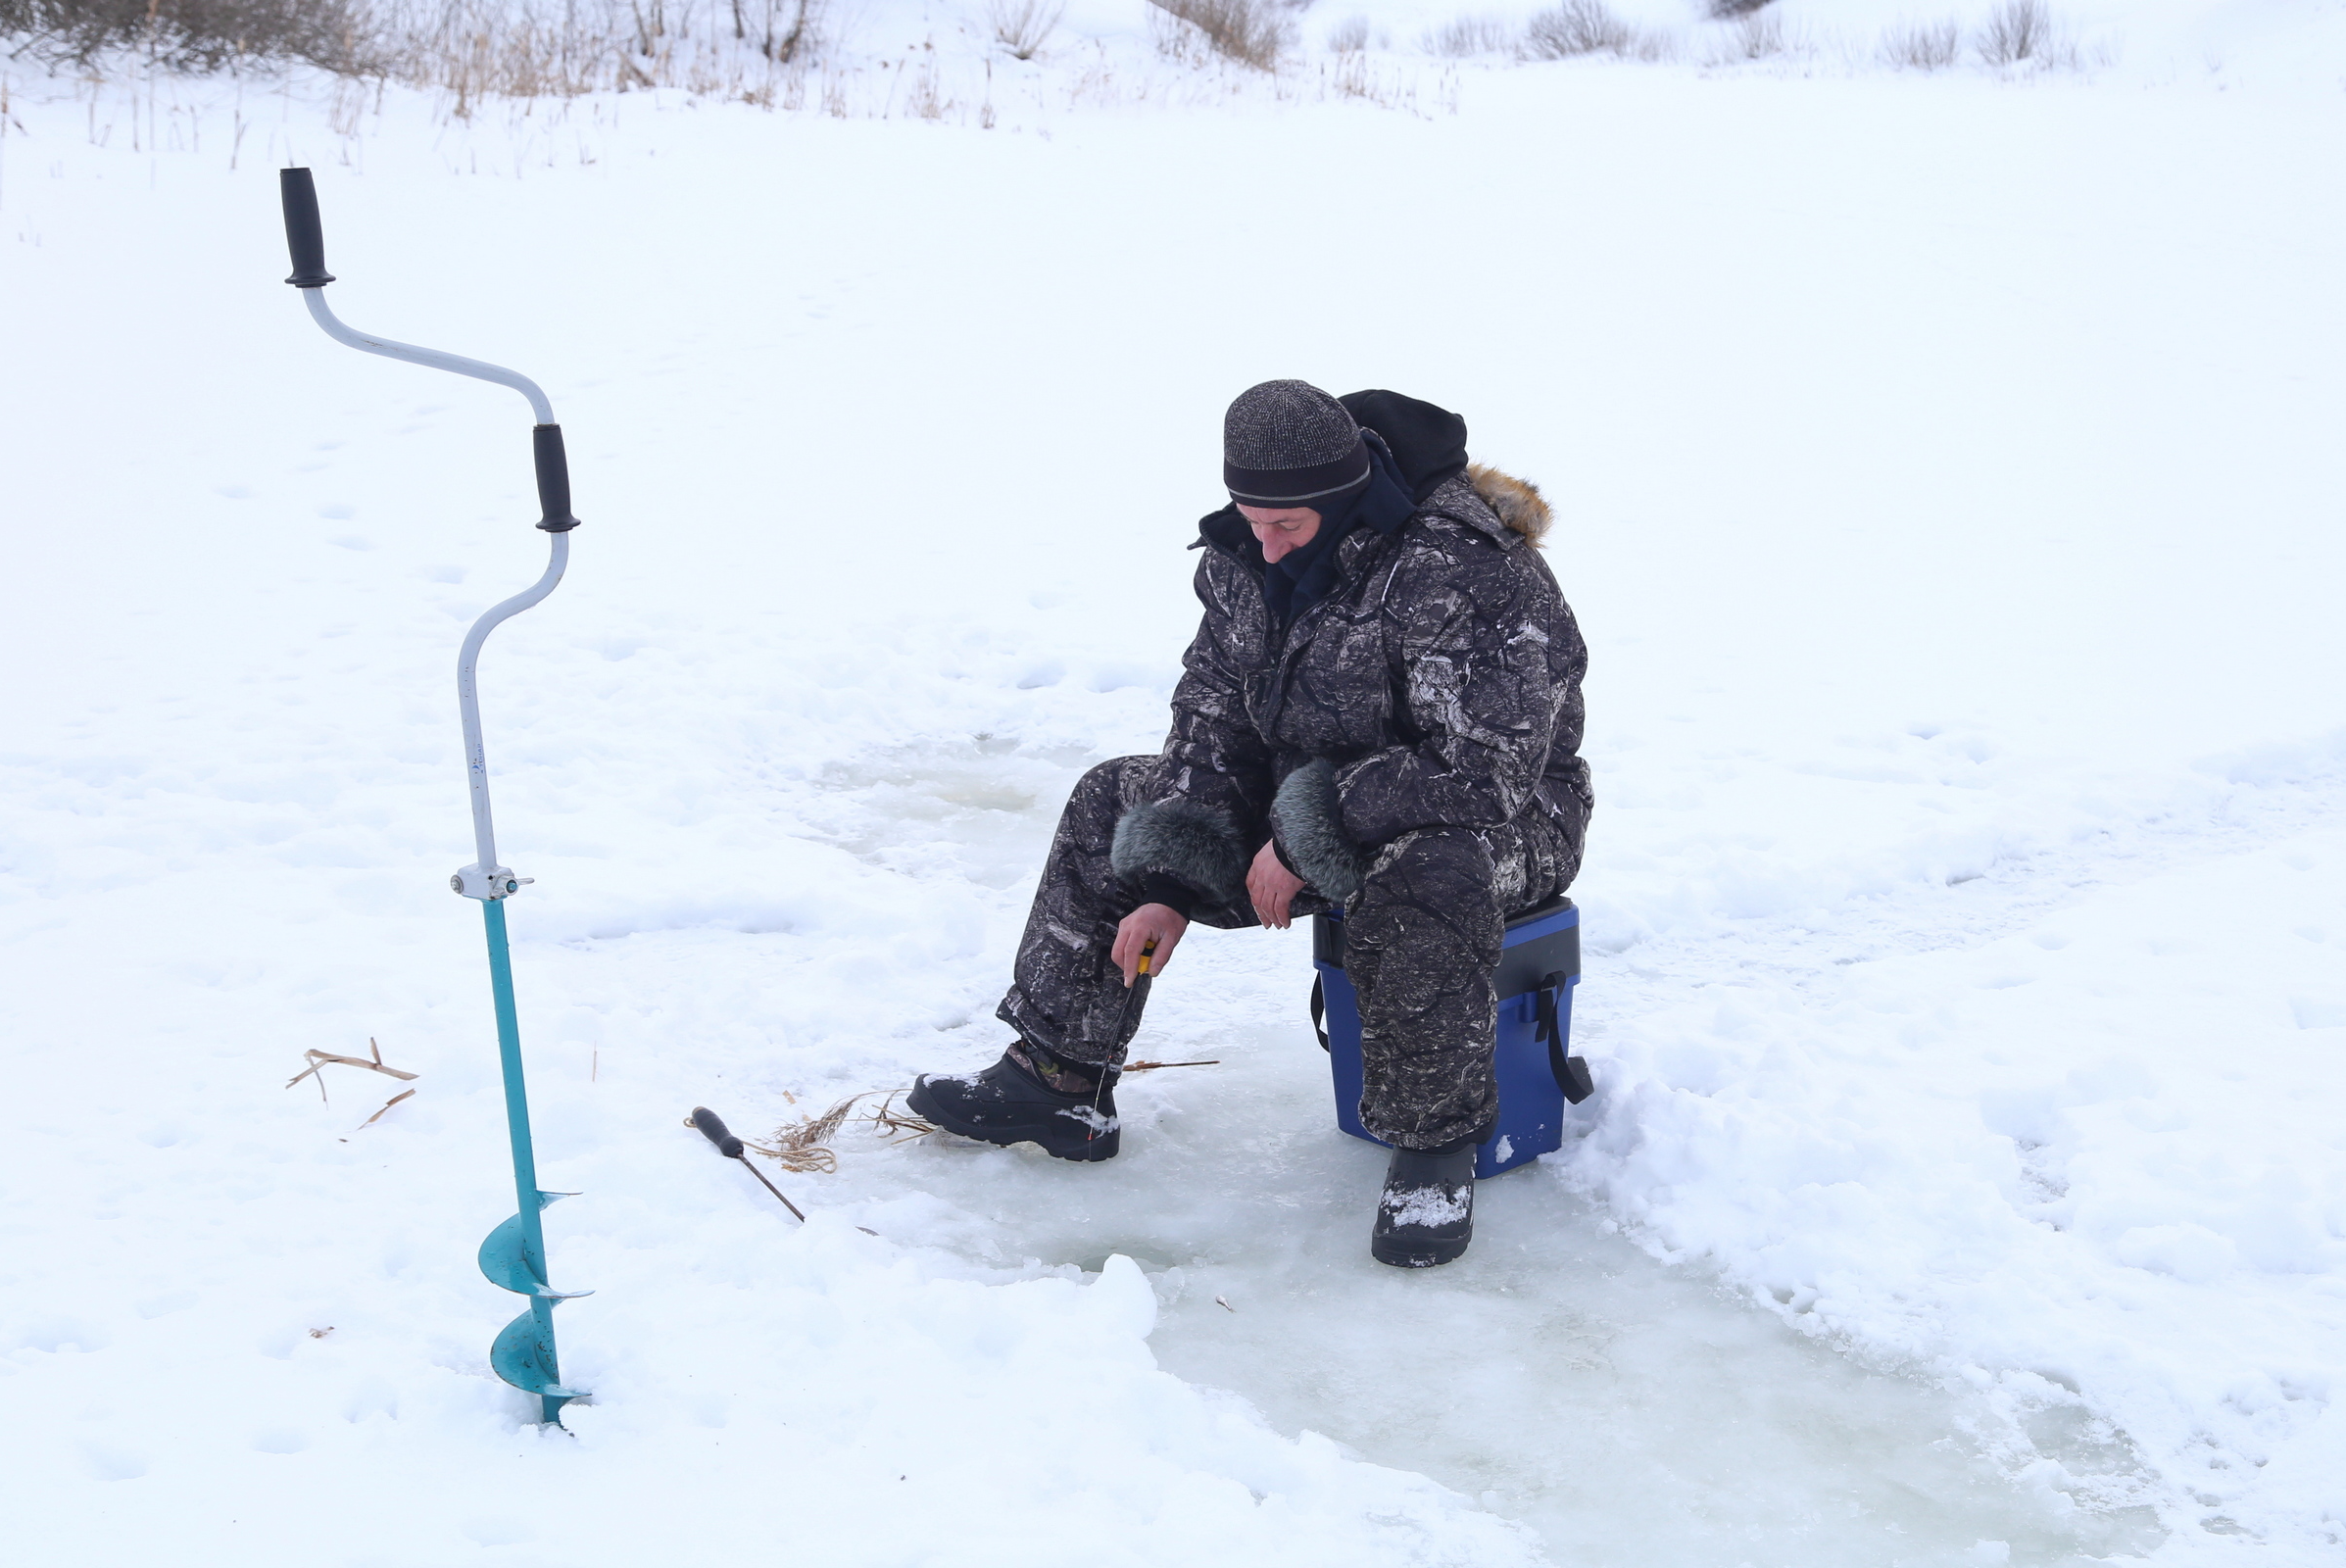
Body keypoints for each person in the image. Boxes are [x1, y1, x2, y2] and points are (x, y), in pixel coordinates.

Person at [907, 381, 1590, 1267]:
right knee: (1113, 798)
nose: (1263, 544)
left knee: (1426, 868)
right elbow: (1215, 718)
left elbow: (1483, 767)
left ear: (1345, 495)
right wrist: (1166, 880)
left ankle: (1433, 1150)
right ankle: (1058, 1080)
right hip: (1306, 795)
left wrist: (1311, 832)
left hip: (1504, 816)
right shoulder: (1241, 557)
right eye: (1249, 517)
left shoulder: (1466, 569)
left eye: (1286, 527)